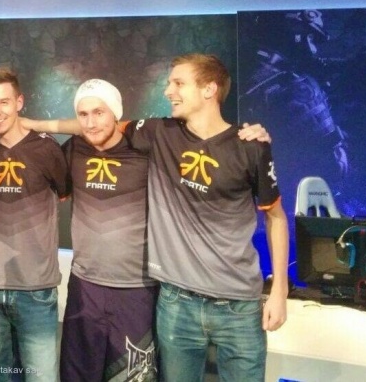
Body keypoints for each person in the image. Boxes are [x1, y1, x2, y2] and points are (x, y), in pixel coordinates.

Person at [122, 54, 288, 381]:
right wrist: (32, 126)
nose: (168, 91)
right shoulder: (160, 133)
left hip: (239, 307)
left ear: (209, 89)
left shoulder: (250, 146)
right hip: (176, 302)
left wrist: (279, 291)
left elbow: (277, 218)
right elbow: (100, 126)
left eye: (178, 83)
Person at [59, 79, 158, 382]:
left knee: (131, 376)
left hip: (136, 288)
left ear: (116, 113)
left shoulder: (145, 150)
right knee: (77, 375)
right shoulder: (73, 149)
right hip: (85, 286)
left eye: (99, 112)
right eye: (83, 114)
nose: (90, 123)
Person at [0, 68, 69, 381]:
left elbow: (64, 193)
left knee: (41, 376)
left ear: (19, 102)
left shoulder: (46, 148)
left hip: (35, 287)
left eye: (3, 102)